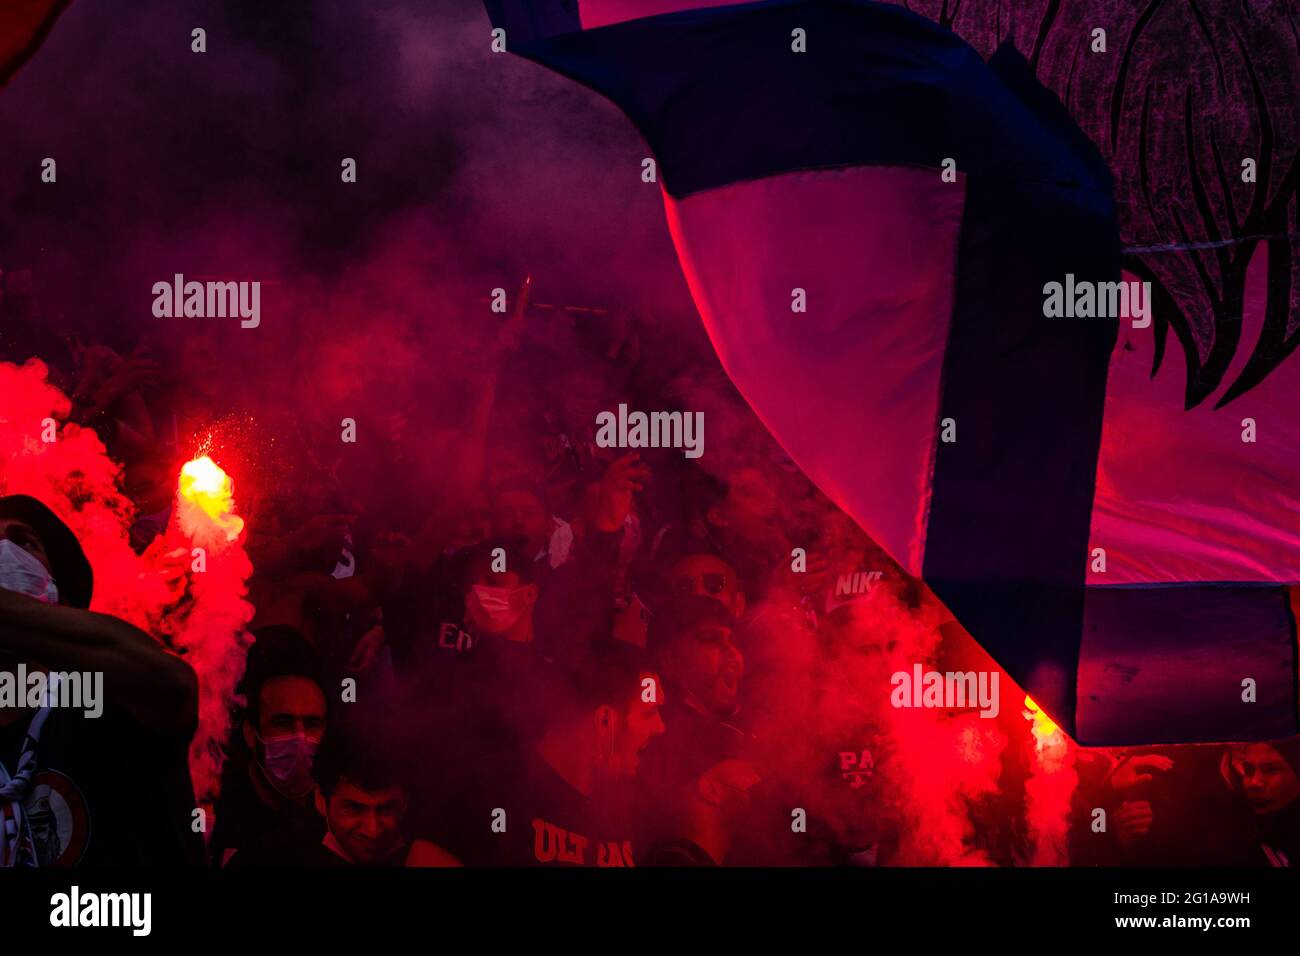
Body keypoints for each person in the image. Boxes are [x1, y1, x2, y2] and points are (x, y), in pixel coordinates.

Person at [0, 494, 202, 866]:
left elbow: (172, 684)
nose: (4, 552)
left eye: (24, 542)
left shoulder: (103, 700)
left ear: (61, 597)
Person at [443, 642, 664, 866]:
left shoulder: (630, 815)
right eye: (650, 713)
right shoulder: (492, 790)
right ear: (605, 721)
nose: (661, 727)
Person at [228, 730, 459, 867]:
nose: (372, 830)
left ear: (405, 802)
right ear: (320, 799)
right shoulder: (272, 858)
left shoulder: (424, 858)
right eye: (353, 808)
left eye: (387, 809)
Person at [209, 626, 328, 866]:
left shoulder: (338, 815)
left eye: (312, 723)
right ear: (251, 733)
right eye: (283, 723)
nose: (300, 738)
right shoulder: (216, 813)